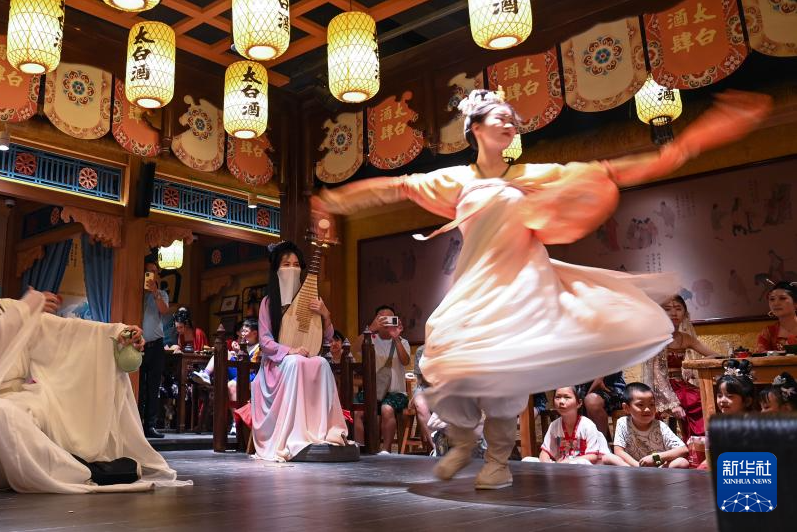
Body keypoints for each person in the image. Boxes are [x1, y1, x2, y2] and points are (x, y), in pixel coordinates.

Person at [314, 88, 769, 488]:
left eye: (513, 118)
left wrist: (689, 144)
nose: (510, 122)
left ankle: (496, 462)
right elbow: (394, 187)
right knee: (445, 363)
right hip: (473, 290)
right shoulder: (456, 180)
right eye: (500, 116)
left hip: (521, 288)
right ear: (475, 128)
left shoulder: (530, 175)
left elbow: (611, 171)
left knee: (505, 379)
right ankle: (462, 438)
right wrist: (335, 199)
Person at [0, 216, 185, 493]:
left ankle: (79, 464)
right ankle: (84, 471)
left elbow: (65, 331)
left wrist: (117, 333)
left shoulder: (6, 308)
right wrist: (24, 310)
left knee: (59, 404)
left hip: (26, 397)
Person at [249, 241, 349, 461]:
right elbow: (265, 342)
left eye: (296, 265)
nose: (292, 269)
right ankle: (294, 434)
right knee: (295, 362)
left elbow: (327, 337)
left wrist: (325, 315)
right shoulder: (268, 303)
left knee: (322, 363)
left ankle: (320, 430)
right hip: (276, 364)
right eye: (286, 265)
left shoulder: (311, 300)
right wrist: (290, 350)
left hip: (304, 357)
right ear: (276, 269)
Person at [644, 295, 719, 441]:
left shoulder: (686, 338)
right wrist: (673, 403)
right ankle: (694, 443)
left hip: (680, 385)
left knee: (707, 398)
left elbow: (715, 355)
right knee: (696, 400)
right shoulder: (657, 338)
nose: (674, 313)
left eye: (678, 308)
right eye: (668, 309)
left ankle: (701, 444)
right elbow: (657, 374)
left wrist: (693, 364)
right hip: (661, 388)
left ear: (685, 313)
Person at [357, 306, 411, 453]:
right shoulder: (370, 339)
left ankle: (385, 451)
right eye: (382, 319)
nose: (387, 322)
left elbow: (406, 361)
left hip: (396, 393)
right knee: (357, 411)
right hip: (373, 391)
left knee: (386, 409)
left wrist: (396, 337)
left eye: (390, 319)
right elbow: (355, 348)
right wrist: (370, 329)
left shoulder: (402, 341)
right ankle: (361, 449)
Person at [522, 386, 611, 465]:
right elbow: (545, 452)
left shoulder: (587, 425)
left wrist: (568, 461)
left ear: (579, 403)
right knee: (527, 460)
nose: (561, 401)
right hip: (560, 467)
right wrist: (547, 464)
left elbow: (592, 457)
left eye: (567, 397)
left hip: (584, 468)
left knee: (581, 462)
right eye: (557, 397)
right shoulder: (554, 425)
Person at [612, 382, 690, 469]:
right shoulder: (623, 422)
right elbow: (619, 452)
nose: (647, 409)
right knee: (611, 458)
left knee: (682, 462)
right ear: (626, 408)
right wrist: (638, 467)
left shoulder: (660, 426)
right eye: (640, 405)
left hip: (658, 468)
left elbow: (683, 450)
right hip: (633, 468)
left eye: (652, 404)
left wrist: (656, 458)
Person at [140, 253, 170, 438]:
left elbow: (164, 310)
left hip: (156, 345)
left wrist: (154, 292)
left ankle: (150, 426)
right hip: (138, 346)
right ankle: (136, 424)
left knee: (153, 387)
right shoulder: (136, 293)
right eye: (148, 272)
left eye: (154, 272)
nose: (151, 275)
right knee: (139, 387)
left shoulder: (161, 294)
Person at [577, 372, 627, 441]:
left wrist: (583, 400)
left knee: (592, 401)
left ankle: (601, 443)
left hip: (610, 387)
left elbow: (598, 382)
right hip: (582, 389)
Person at [755, 281, 797, 352]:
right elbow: (761, 356)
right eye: (772, 299)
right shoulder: (768, 332)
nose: (776, 303)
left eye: (782, 298)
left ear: (795, 303)